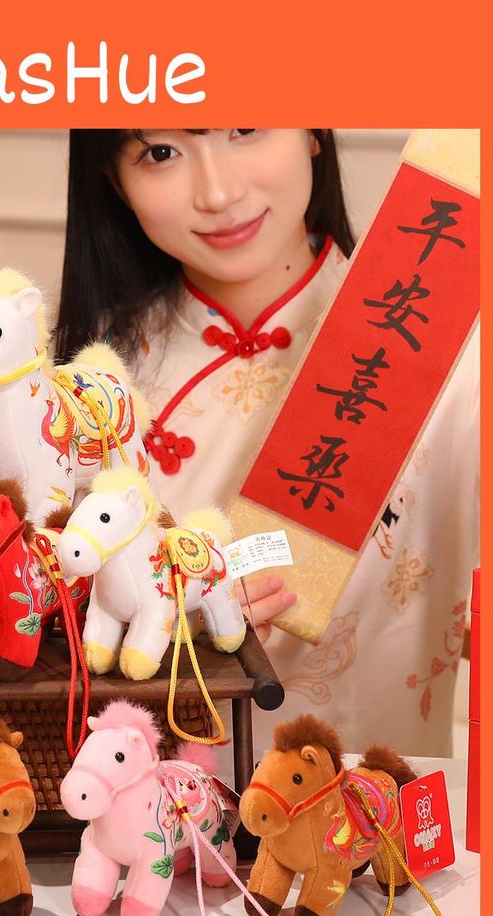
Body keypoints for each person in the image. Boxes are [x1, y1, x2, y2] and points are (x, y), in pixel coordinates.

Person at [55, 129, 478, 756]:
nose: (219, 193)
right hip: (143, 793)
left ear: (312, 128)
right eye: (161, 153)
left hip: (376, 797)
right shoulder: (89, 385)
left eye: (247, 127)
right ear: (115, 180)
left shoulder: (461, 356)